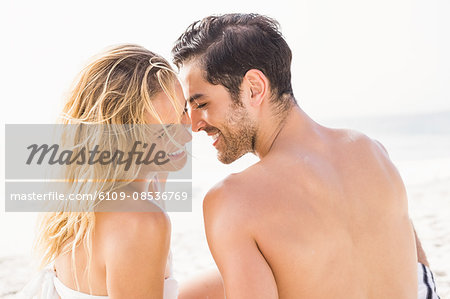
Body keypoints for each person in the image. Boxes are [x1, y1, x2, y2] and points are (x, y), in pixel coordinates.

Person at [172, 13, 440, 298]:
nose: (193, 123)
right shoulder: (372, 150)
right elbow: (417, 270)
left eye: (200, 103)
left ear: (254, 88)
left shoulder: (232, 199)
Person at [20, 44, 191, 298]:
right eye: (164, 130)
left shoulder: (88, 192)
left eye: (184, 110)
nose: (186, 131)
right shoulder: (139, 221)